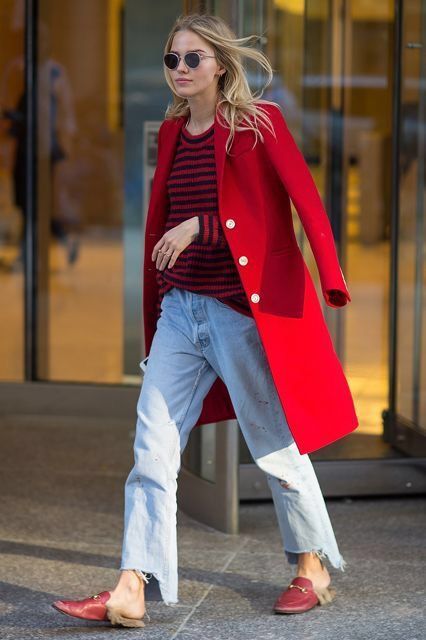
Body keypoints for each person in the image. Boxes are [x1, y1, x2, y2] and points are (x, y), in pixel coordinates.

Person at [51, 13, 358, 628]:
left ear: (220, 64)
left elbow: (299, 203)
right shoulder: (170, 133)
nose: (181, 69)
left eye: (194, 58)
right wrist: (167, 277)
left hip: (239, 314)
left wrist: (327, 277)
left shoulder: (257, 124)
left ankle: (312, 567)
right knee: (152, 449)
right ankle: (131, 589)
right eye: (172, 60)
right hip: (179, 311)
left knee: (273, 446)